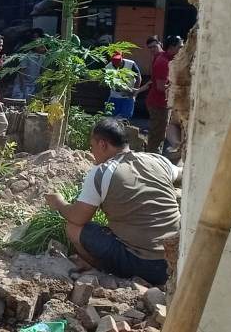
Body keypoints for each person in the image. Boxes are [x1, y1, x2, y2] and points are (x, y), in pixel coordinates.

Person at [44, 117, 181, 285]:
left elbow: (78, 218)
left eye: (92, 146)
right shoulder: (158, 160)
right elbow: (183, 174)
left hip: (145, 265)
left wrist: (59, 203)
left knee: (73, 228)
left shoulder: (102, 172)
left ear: (102, 144)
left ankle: (100, 269)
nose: (92, 152)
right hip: (176, 260)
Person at [145, 35, 184, 152]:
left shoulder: (166, 58)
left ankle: (154, 156)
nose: (182, 49)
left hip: (161, 103)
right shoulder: (163, 62)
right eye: (180, 47)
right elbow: (161, 88)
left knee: (160, 134)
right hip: (158, 104)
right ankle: (152, 158)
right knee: (157, 136)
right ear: (171, 47)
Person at [105, 51, 142, 119]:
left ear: (122, 57)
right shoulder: (108, 67)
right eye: (115, 61)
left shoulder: (131, 64)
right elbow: (111, 83)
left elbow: (138, 77)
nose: (117, 64)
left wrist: (134, 91)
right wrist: (124, 89)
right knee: (110, 116)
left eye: (119, 61)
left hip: (129, 95)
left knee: (125, 117)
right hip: (114, 95)